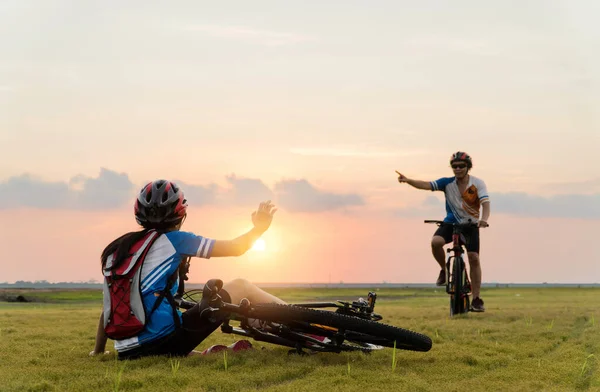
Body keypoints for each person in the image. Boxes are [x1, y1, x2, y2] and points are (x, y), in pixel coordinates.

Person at [90, 179, 284, 359]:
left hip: (127, 352)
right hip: (165, 342)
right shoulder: (176, 240)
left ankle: (207, 353)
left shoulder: (117, 249)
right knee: (241, 286)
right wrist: (259, 229)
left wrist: (98, 351)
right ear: (180, 213)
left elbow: (110, 305)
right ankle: (308, 324)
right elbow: (236, 247)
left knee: (180, 327)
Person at [395, 151, 490, 312]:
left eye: (461, 166)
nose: (458, 169)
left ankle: (476, 299)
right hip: (451, 223)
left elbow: (485, 203)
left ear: (468, 167)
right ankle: (444, 270)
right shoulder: (447, 183)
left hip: (470, 225)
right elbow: (427, 185)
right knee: (435, 242)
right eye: (454, 166)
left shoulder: (477, 183)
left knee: (473, 258)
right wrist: (408, 180)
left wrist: (484, 219)